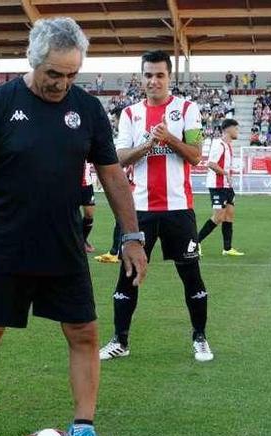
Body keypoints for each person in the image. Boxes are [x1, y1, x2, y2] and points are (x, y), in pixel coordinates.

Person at [0, 17, 148, 436]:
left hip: (64, 245)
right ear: (33, 61)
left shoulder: (89, 109)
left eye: (72, 74)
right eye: (54, 74)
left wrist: (132, 236)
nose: (62, 83)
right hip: (3, 246)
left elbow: (112, 176)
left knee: (84, 333)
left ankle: (84, 430)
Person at [98, 50, 213, 363]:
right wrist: (148, 145)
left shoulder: (188, 109)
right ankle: (120, 340)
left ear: (169, 77)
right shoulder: (130, 115)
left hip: (179, 209)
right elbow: (119, 158)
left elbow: (195, 155)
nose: (153, 81)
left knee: (191, 275)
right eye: (148, 75)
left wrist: (170, 139)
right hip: (139, 211)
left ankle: (199, 337)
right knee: (129, 274)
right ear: (142, 77)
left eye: (160, 75)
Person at [198, 118, 245, 256]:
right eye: (236, 129)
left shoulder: (228, 145)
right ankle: (196, 242)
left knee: (229, 215)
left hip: (226, 187)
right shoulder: (218, 144)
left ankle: (227, 248)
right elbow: (211, 164)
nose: (237, 131)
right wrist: (226, 174)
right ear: (228, 129)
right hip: (217, 186)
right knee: (218, 216)